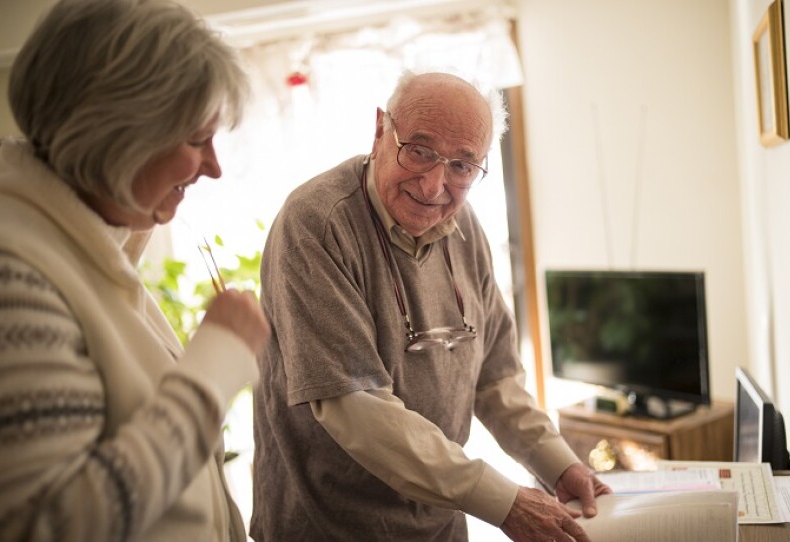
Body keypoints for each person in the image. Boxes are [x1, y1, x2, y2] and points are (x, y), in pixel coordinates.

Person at [251, 70, 610, 541]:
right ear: (380, 130)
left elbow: (496, 377)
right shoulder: (316, 223)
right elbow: (354, 407)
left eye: (463, 165)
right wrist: (505, 503)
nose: (434, 184)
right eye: (419, 150)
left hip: (437, 524)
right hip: (329, 526)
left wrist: (558, 464)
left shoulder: (465, 227)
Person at [0, 0, 269, 540]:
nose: (214, 167)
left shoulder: (78, 250)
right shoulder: (8, 270)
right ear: (118, 133)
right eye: (195, 140)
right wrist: (213, 370)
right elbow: (44, 527)